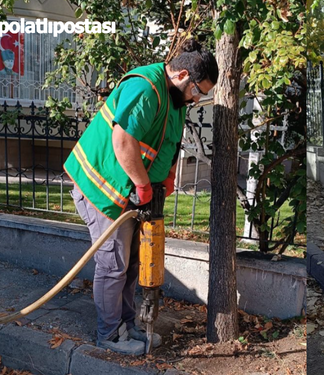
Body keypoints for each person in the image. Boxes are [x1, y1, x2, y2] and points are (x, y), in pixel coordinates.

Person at [64, 39, 218, 355]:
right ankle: (109, 335)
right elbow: (122, 140)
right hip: (101, 188)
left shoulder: (174, 100)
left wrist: (166, 178)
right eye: (198, 90)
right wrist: (144, 186)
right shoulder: (147, 88)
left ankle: (127, 326)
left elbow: (166, 144)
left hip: (129, 193)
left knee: (133, 263)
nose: (197, 98)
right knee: (113, 264)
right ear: (183, 75)